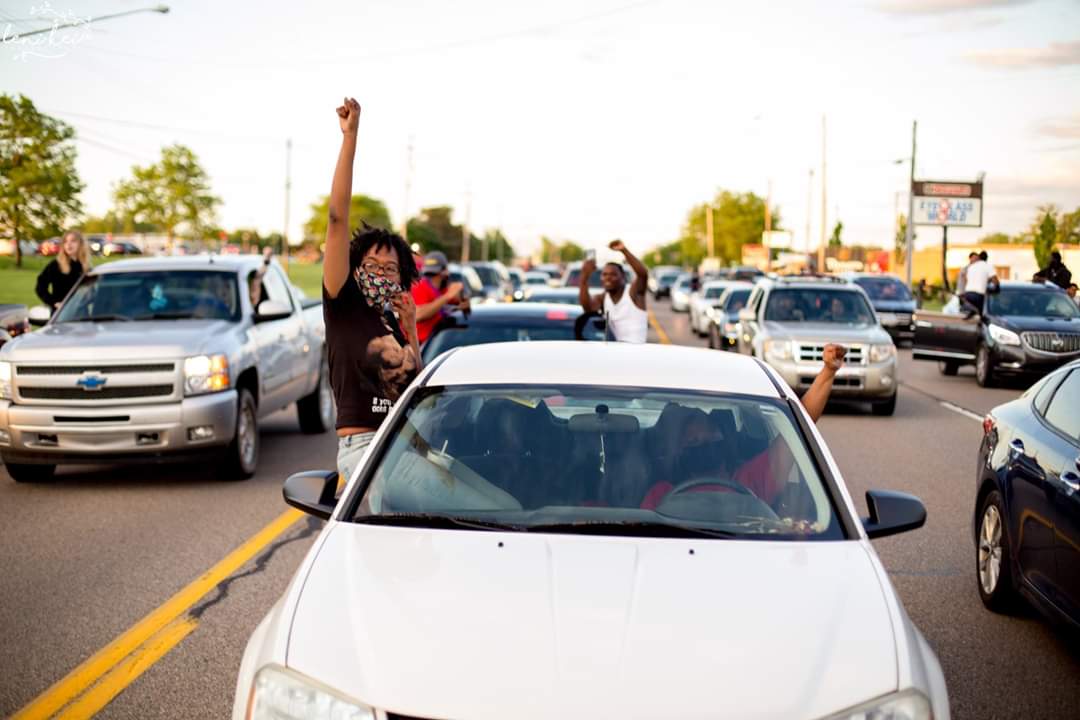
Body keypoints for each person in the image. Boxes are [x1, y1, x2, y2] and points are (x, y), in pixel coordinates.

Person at [323, 96, 422, 483]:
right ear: (355, 265)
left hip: (408, 443)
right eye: (372, 265)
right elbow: (336, 219)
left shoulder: (393, 323)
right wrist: (351, 137)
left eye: (390, 268)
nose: (380, 272)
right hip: (365, 448)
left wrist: (410, 327)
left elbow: (415, 388)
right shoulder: (343, 302)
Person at [641, 344, 848, 511]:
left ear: (725, 442)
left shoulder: (749, 480)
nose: (704, 447)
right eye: (694, 442)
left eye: (711, 438)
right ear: (679, 451)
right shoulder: (661, 493)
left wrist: (828, 372)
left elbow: (800, 427)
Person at [578, 239, 649, 343]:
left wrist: (624, 250)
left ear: (623, 277)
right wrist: (584, 277)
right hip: (616, 351)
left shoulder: (633, 292)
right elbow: (587, 308)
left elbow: (643, 274)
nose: (608, 278)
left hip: (635, 352)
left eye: (613, 274)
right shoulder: (603, 298)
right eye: (604, 274)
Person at [412, 250, 468, 344]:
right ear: (444, 271)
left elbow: (465, 304)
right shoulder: (419, 287)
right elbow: (417, 315)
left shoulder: (442, 290)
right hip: (421, 347)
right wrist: (447, 296)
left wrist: (461, 301)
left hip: (437, 343)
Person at [35, 230, 90, 313]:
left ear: (80, 244)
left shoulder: (86, 267)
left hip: (82, 313)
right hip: (61, 314)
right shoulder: (55, 265)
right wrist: (54, 302)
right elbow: (40, 286)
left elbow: (91, 292)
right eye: (65, 241)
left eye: (73, 241)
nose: (68, 244)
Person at [961, 250, 995, 315]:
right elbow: (995, 280)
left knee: (972, 309)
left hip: (968, 293)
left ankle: (971, 312)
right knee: (980, 312)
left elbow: (966, 279)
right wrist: (996, 287)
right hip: (978, 294)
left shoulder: (971, 267)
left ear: (979, 258)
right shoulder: (986, 266)